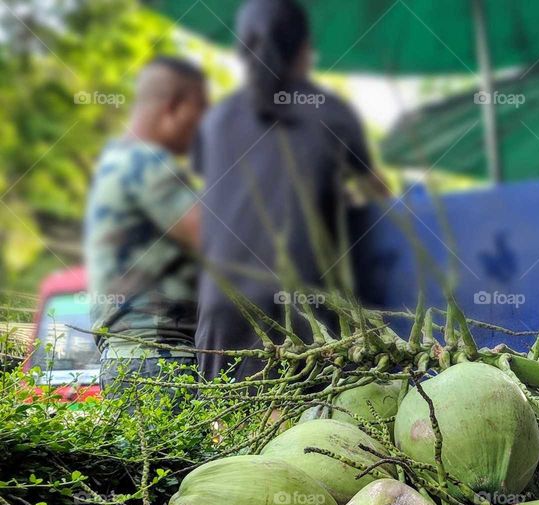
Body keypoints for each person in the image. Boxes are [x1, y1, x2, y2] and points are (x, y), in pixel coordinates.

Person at [192, 0, 388, 382]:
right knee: (307, 439)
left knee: (228, 438)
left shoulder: (214, 120)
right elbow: (378, 194)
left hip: (220, 315)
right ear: (304, 49)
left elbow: (227, 190)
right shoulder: (331, 112)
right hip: (304, 319)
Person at [85, 56, 207, 396]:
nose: (200, 126)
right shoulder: (146, 164)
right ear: (173, 107)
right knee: (173, 453)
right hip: (158, 358)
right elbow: (214, 241)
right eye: (199, 111)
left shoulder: (116, 162)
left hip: (130, 357)